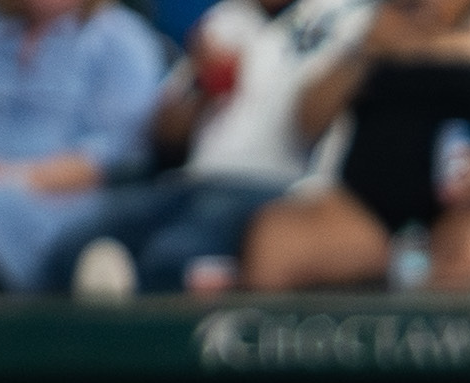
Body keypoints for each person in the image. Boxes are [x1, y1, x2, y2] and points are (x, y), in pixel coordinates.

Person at [241, 0, 470, 294]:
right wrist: (363, 51)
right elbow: (305, 122)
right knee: (276, 242)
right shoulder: (361, 22)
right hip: (367, 212)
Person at [68, 0, 314, 289]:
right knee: (72, 249)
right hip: (190, 183)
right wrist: (204, 80)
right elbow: (162, 135)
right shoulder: (224, 19)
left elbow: (312, 126)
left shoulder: (333, 16)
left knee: (168, 258)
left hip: (270, 187)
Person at [0, 0, 165, 293]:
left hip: (72, 200)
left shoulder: (122, 41)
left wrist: (11, 177)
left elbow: (112, 156)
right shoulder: (1, 31)